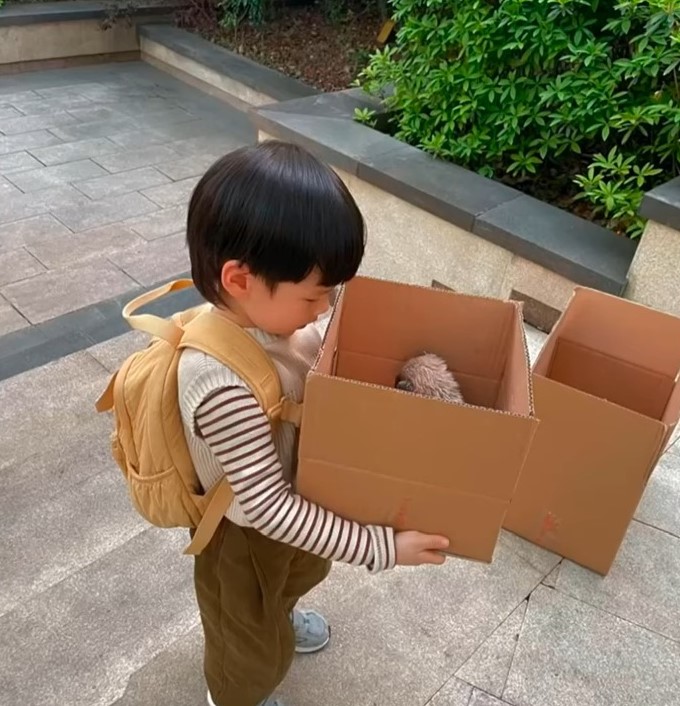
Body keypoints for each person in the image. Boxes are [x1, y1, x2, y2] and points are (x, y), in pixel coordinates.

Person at [178, 139, 450, 706]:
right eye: (314, 296)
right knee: (246, 636)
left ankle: (282, 609)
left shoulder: (287, 323)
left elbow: (324, 374)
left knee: (299, 572)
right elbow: (267, 509)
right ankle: (235, 692)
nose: (324, 309)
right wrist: (382, 547)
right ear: (239, 280)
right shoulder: (219, 384)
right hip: (244, 534)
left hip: (302, 501)